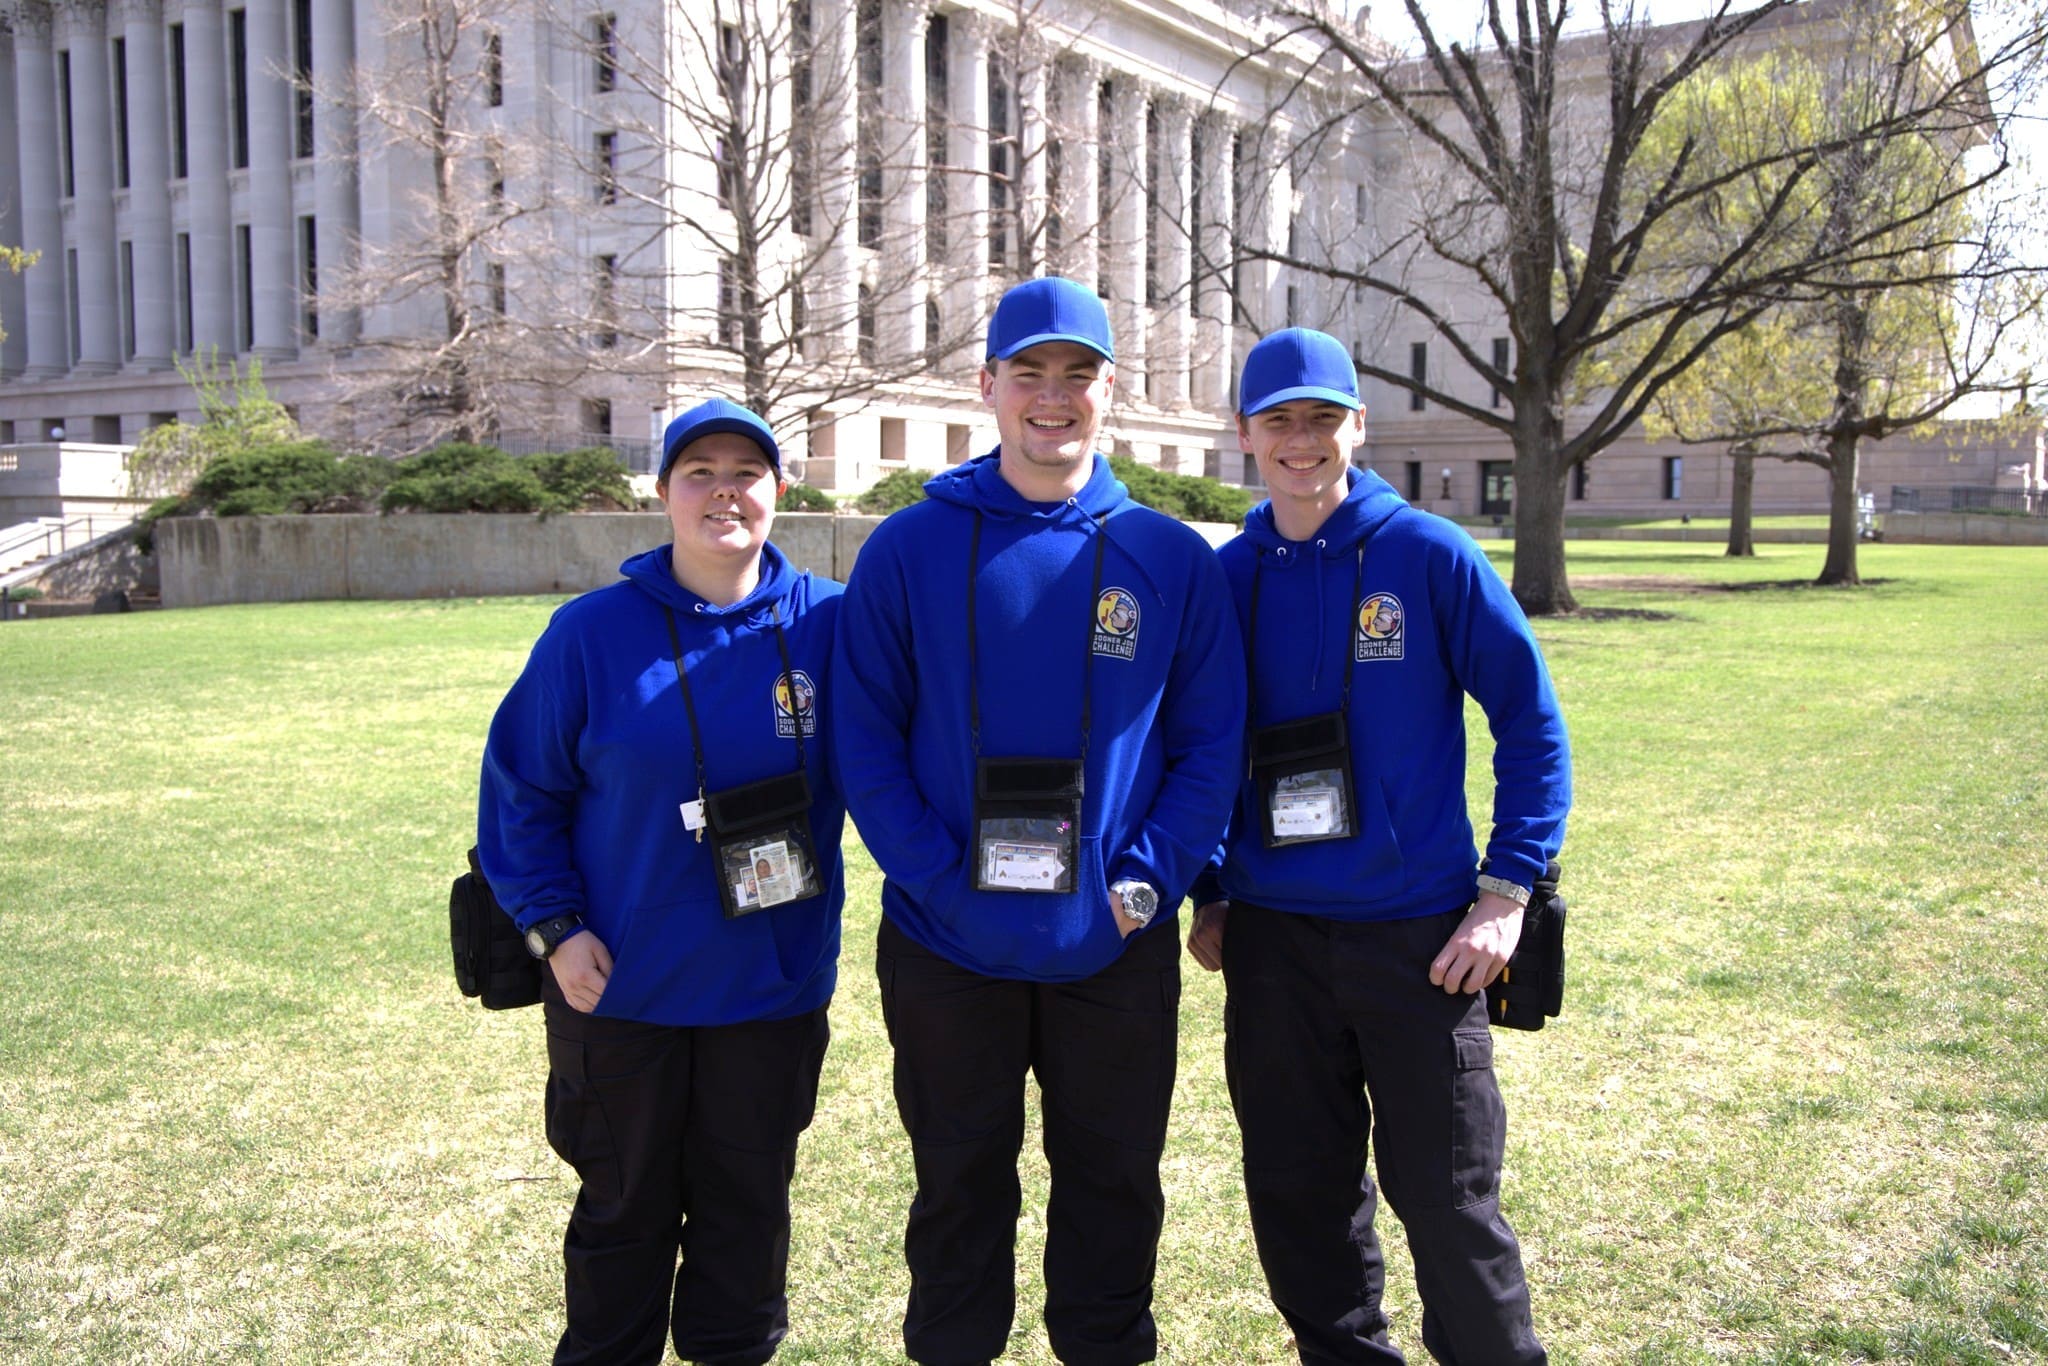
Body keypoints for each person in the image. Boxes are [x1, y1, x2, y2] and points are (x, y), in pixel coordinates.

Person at [832, 276, 1246, 1366]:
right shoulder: (906, 549)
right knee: (957, 1184)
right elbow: (864, 740)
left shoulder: (1166, 558)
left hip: (1109, 938)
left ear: (1110, 392)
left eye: (1076, 375)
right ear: (987, 388)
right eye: (1030, 374)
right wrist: (933, 876)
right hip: (942, 941)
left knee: (1112, 1184)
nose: (1051, 398)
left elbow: (1209, 746)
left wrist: (1147, 881)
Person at [1187, 329, 1571, 1365]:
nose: (1301, 441)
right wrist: (1210, 888)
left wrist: (1505, 892)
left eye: (1322, 418)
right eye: (1279, 421)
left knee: (1445, 1202)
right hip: (1270, 946)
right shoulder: (1224, 580)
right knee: (1297, 1195)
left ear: (1358, 424)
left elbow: (1529, 722)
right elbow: (1194, 749)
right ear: (1244, 436)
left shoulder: (1428, 555)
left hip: (1417, 940)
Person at [478, 398, 845, 1366]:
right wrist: (555, 929)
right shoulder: (590, 633)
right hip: (618, 982)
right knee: (622, 1207)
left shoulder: (834, 627)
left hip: (767, 983)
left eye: (746, 472)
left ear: (778, 491)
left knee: (747, 1207)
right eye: (700, 472)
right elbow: (521, 794)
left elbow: (900, 763)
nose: (724, 491)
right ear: (663, 492)